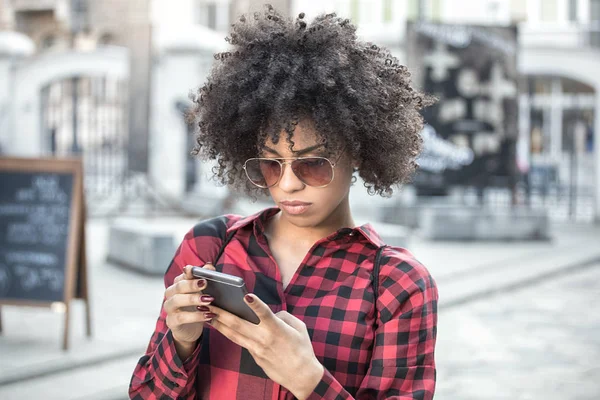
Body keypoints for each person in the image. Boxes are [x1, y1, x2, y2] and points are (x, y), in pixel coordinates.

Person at [129, 5, 438, 400]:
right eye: (271, 165)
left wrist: (309, 379)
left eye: (312, 163)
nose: (288, 184)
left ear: (358, 151)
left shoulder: (395, 284)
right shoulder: (210, 247)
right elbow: (146, 395)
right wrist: (182, 342)